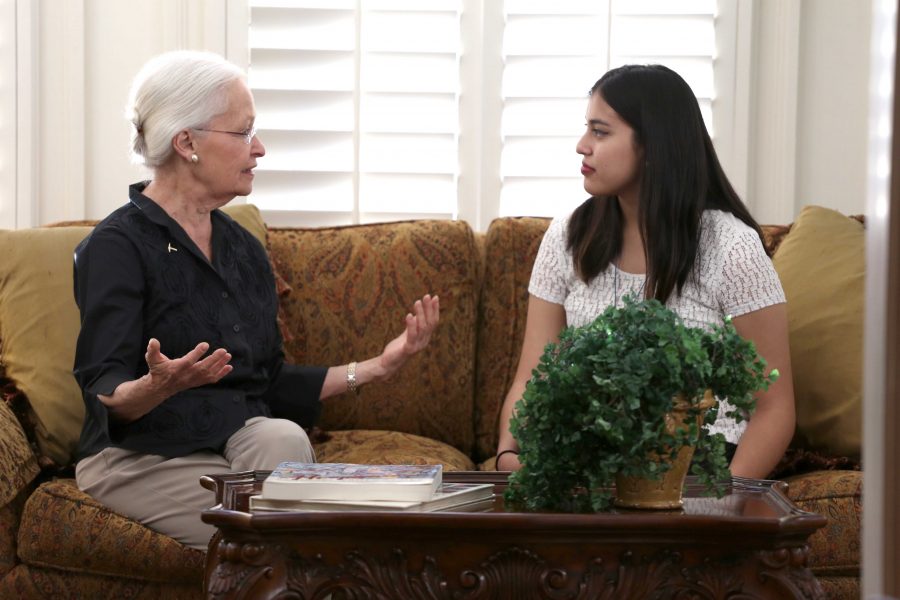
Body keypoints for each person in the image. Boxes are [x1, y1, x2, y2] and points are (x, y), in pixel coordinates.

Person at [73, 50, 439, 550]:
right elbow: (104, 392)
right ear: (187, 142)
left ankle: (292, 542)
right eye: (244, 132)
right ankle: (296, 548)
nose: (260, 148)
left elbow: (269, 380)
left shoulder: (242, 248)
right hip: (139, 455)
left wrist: (379, 366)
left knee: (282, 435)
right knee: (274, 531)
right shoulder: (117, 246)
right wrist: (158, 387)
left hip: (230, 443)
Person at [495, 64, 795, 480]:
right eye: (587, 129)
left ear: (653, 146)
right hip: (589, 467)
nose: (582, 146)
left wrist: (725, 502)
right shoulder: (566, 237)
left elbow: (774, 408)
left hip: (698, 468)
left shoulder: (731, 247)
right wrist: (509, 454)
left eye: (600, 132)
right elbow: (533, 377)